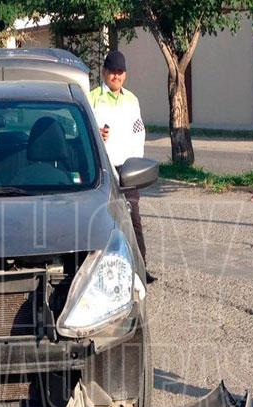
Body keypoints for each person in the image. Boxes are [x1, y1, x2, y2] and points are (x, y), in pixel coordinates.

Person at [88, 50, 155, 284]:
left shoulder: (132, 100)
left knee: (133, 219)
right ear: (104, 72)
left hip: (128, 170)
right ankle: (102, 272)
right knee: (104, 220)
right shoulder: (92, 98)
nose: (116, 76)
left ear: (125, 74)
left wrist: (136, 164)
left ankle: (140, 269)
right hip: (103, 170)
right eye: (112, 71)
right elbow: (82, 134)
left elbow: (139, 133)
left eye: (120, 72)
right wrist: (96, 134)